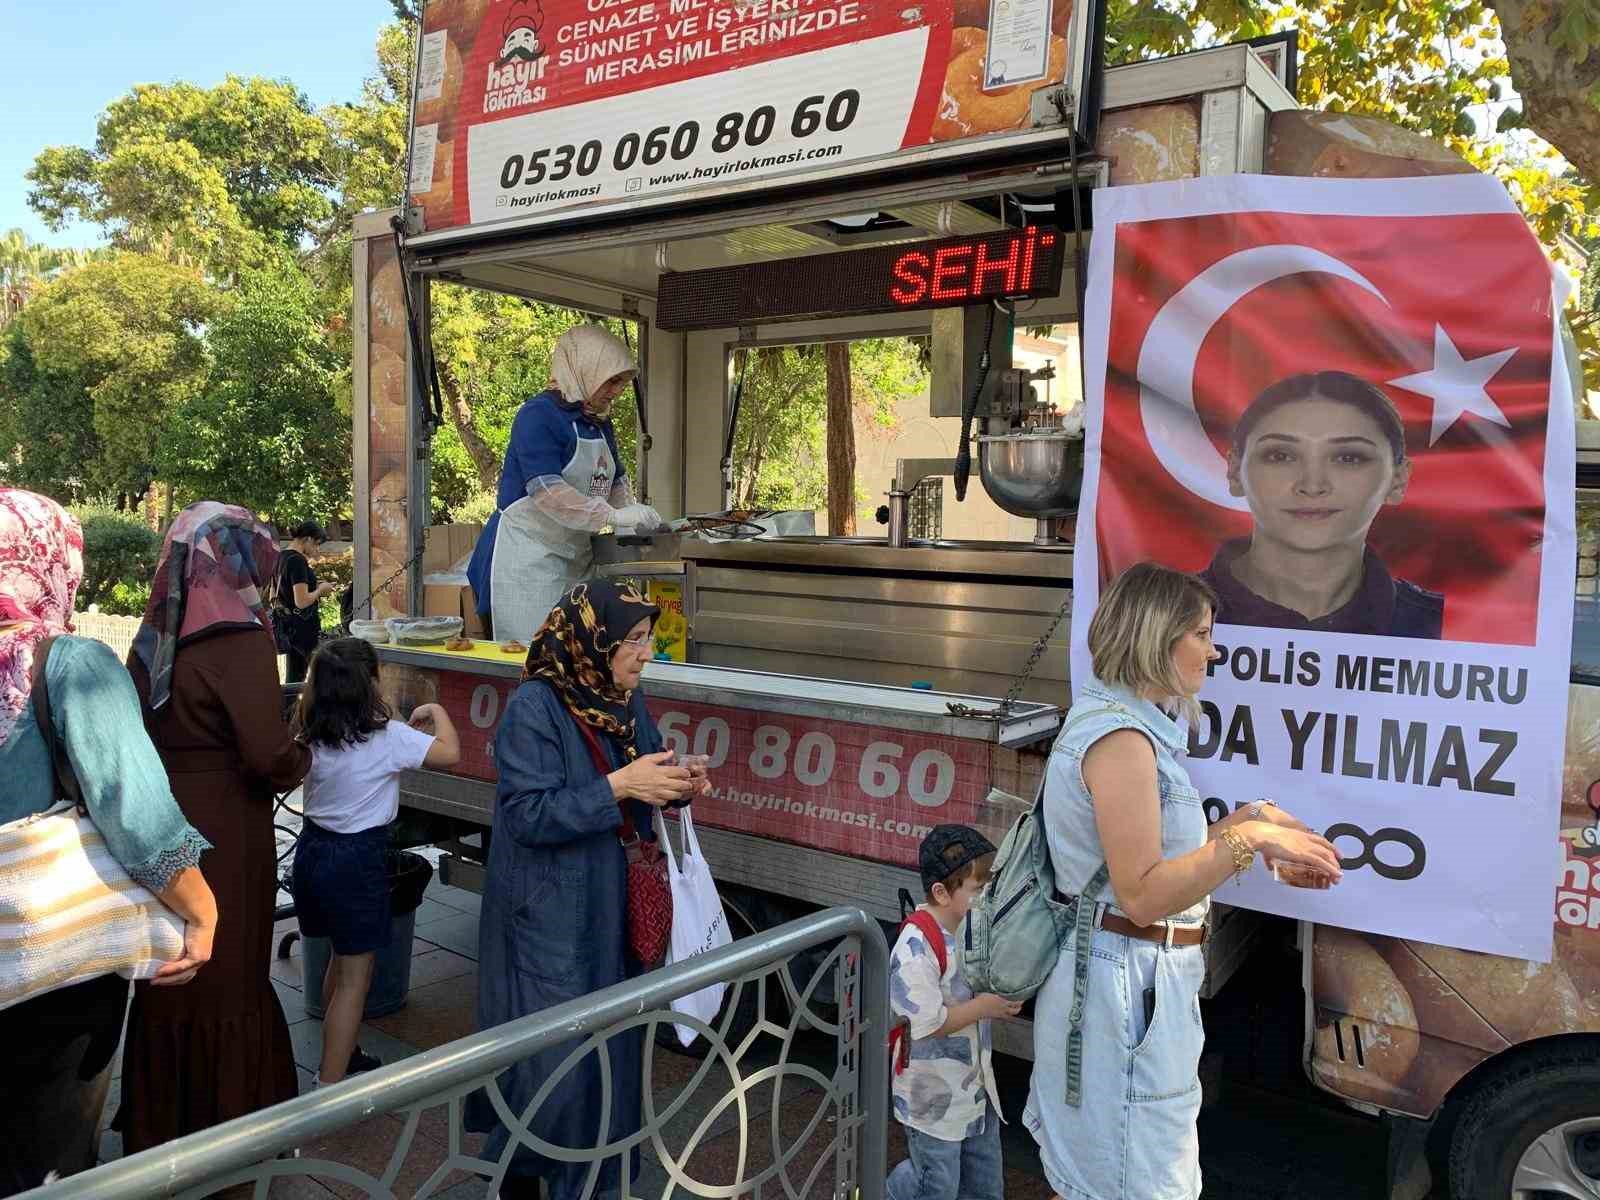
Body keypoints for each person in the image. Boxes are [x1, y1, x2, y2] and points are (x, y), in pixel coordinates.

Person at [1023, 562, 1342, 1200]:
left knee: (1102, 1172)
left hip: (1128, 985)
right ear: (1155, 635)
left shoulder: (1126, 725)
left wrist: (1257, 823)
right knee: (1129, 1179)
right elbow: (1141, 894)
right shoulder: (1120, 741)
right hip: (1124, 988)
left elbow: (1157, 859)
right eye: (1200, 632)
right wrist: (1245, 840)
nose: (1213, 648)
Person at [0, 490, 219, 1195]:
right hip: (46, 974)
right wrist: (201, 912)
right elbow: (140, 818)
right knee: (45, 1162)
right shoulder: (70, 666)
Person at [466, 580, 707, 1200]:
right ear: (592, 640)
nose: (645, 653)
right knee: (556, 1063)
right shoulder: (536, 706)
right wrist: (620, 788)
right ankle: (526, 1172)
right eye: (632, 641)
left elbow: (644, 771)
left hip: (612, 902)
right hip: (550, 914)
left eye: (647, 639)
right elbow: (526, 816)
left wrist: (678, 781)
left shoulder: (626, 698)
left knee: (611, 1055)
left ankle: (584, 1178)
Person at [117, 501, 313, 1154]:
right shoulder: (238, 637)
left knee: (173, 976)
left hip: (163, 823)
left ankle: (163, 1125)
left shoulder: (157, 632)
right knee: (228, 973)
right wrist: (306, 752)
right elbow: (269, 755)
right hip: (227, 830)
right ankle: (228, 1131)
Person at [291, 637, 460, 1086]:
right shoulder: (388, 738)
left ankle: (338, 1052)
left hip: (312, 852)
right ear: (370, 684)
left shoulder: (312, 734)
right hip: (356, 860)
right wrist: (438, 712)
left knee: (336, 961)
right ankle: (328, 1087)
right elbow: (449, 754)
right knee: (355, 978)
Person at [1200, 371, 1443, 638]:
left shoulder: (1443, 630)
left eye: (1349, 458)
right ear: (1235, 472)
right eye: (1280, 455)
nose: (1312, 485)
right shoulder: (1155, 617)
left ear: (1397, 481)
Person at [466, 325, 665, 645]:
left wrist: (630, 513)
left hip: (576, 558)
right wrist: (613, 518)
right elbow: (548, 494)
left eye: (622, 383)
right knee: (537, 657)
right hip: (528, 563)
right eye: (611, 380)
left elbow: (615, 480)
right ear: (584, 368)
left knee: (579, 655)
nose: (616, 391)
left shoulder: (599, 422)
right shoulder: (538, 415)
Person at [886, 825, 1018, 1200]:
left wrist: (1002, 996)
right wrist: (984, 1006)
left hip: (977, 1090)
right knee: (936, 1183)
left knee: (985, 1183)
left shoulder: (972, 925)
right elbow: (926, 1024)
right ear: (942, 892)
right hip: (932, 1101)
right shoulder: (915, 946)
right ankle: (890, 1191)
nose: (987, 896)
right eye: (979, 889)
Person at [272, 521, 335, 683]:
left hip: (286, 626)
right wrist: (321, 590)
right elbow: (301, 601)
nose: (317, 550)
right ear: (307, 539)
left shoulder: (281, 556)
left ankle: (291, 706)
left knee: (293, 674)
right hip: (301, 629)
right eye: (316, 544)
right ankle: (294, 708)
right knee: (299, 677)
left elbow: (274, 594)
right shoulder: (298, 561)